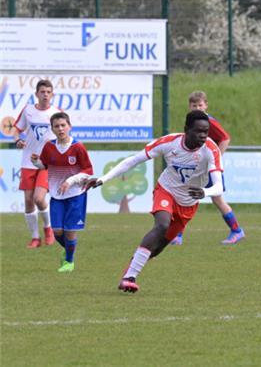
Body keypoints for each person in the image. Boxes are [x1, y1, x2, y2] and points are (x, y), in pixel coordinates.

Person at [85, 110, 222, 293]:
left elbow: (219, 186)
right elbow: (134, 161)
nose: (203, 136)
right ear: (186, 129)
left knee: (157, 248)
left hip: (188, 203)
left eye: (206, 131)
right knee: (162, 225)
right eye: (199, 131)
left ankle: (130, 270)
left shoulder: (211, 150)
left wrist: (205, 192)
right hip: (166, 191)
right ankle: (129, 278)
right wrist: (104, 178)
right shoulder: (169, 143)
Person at [170, 91, 244, 245]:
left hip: (209, 168)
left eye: (200, 105)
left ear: (206, 106)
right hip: (198, 166)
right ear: (189, 106)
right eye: (194, 105)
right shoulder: (193, 122)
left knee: (216, 199)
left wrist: (215, 160)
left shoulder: (209, 121)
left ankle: (237, 231)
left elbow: (225, 139)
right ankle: (177, 235)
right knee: (186, 195)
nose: (197, 108)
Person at [30, 112, 94, 273]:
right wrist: (36, 162)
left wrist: (70, 181)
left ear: (69, 126)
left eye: (63, 125)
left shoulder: (78, 147)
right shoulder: (49, 147)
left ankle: (69, 262)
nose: (60, 129)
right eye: (56, 126)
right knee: (57, 231)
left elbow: (88, 170)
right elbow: (44, 165)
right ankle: (69, 250)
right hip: (57, 195)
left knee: (70, 231)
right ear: (52, 129)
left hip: (76, 195)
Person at [13, 79, 60, 248]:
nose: (45, 95)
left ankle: (48, 229)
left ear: (52, 94)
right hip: (28, 161)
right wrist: (17, 140)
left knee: (39, 198)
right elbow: (17, 129)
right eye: (42, 92)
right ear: (36, 94)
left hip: (47, 163)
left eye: (48, 92)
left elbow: (64, 133)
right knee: (28, 201)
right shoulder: (28, 110)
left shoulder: (56, 113)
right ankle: (35, 238)